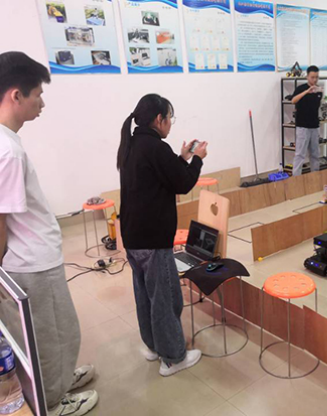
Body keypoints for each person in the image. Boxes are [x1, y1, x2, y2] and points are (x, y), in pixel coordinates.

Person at [0, 52, 98, 415]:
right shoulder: (8, 151)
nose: (42, 103)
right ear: (16, 95)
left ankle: (58, 380)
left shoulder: (7, 141)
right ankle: (53, 401)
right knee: (53, 336)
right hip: (33, 263)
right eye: (38, 94)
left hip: (32, 259)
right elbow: (1, 218)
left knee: (56, 332)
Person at [118, 94, 208, 377]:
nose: (170, 123)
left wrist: (182, 158)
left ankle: (154, 346)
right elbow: (182, 183)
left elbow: (164, 174)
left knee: (145, 295)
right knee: (166, 299)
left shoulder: (132, 144)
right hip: (153, 238)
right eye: (169, 118)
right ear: (159, 119)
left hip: (133, 236)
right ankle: (172, 357)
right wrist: (197, 160)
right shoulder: (156, 147)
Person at [291, 65, 324, 177]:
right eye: (312, 77)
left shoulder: (319, 91)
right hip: (302, 127)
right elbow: (293, 100)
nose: (315, 80)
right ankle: (296, 178)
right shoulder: (300, 89)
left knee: (315, 154)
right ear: (307, 77)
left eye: (317, 77)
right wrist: (307, 91)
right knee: (300, 154)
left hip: (314, 126)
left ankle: (315, 176)